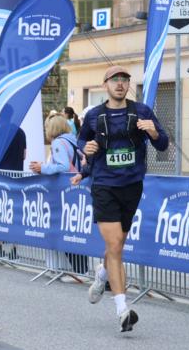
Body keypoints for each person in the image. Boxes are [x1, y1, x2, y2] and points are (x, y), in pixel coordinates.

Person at [72, 65, 169, 332]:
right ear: (105, 85)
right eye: (114, 80)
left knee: (118, 244)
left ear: (128, 85)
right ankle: (122, 309)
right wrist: (86, 149)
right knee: (115, 244)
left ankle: (102, 274)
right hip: (104, 185)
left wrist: (153, 132)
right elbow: (81, 143)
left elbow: (163, 145)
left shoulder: (142, 112)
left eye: (124, 80)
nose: (119, 84)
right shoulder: (94, 115)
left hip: (132, 185)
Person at [34, 113, 88, 276]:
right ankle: (80, 270)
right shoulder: (73, 140)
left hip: (63, 192)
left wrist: (42, 168)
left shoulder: (58, 142)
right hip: (76, 189)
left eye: (47, 128)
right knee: (74, 230)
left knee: (64, 229)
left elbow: (63, 166)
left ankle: (73, 270)